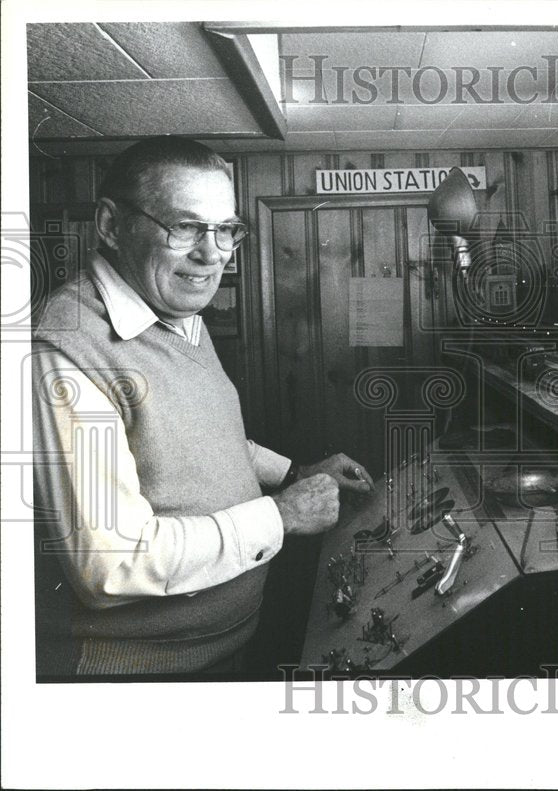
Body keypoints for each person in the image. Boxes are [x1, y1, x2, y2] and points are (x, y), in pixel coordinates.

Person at [32, 136, 374, 677]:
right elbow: (110, 566)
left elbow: (197, 437)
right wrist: (282, 515)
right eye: (184, 226)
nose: (211, 253)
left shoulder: (176, 312)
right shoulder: (67, 354)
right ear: (110, 225)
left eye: (225, 230)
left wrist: (294, 472)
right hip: (135, 677)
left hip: (218, 648)